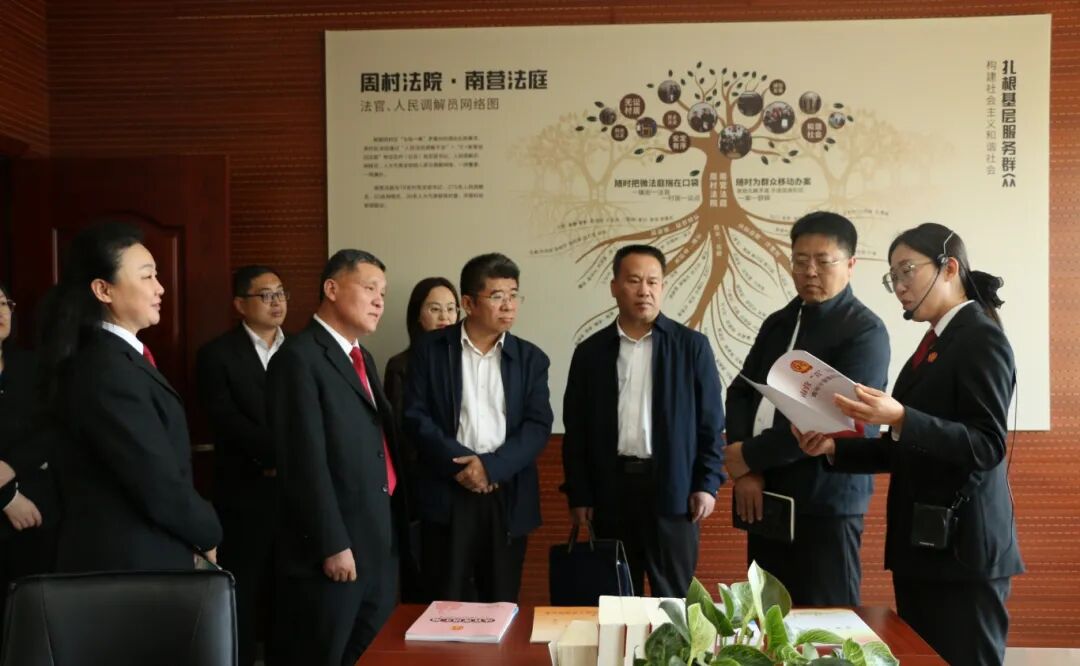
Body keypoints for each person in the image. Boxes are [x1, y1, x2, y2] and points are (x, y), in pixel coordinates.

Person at [797, 222, 1023, 666]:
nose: (899, 286)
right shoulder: (936, 342)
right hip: (925, 544)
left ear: (949, 268)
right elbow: (906, 444)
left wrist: (901, 416)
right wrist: (833, 449)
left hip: (964, 550)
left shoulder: (980, 337)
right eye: (892, 277)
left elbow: (987, 445)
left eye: (907, 271)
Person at [723, 211, 890, 605]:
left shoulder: (864, 331)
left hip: (826, 501)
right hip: (766, 496)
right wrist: (747, 470)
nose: (810, 271)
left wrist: (749, 455)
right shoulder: (779, 323)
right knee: (767, 616)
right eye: (800, 260)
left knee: (828, 620)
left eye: (823, 261)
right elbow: (741, 392)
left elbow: (833, 418)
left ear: (850, 264)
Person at [38, 222, 221, 572]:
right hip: (129, 563)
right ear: (103, 290)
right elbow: (154, 479)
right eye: (147, 276)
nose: (160, 288)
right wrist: (207, 531)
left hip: (145, 551)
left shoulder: (118, 357)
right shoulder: (105, 369)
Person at [561, 244, 726, 597]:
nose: (644, 290)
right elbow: (577, 431)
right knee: (617, 597)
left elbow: (711, 424)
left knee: (675, 598)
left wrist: (707, 483)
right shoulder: (591, 353)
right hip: (611, 491)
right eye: (634, 280)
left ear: (663, 287)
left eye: (653, 281)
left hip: (674, 491)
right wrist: (579, 493)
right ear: (614, 287)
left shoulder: (691, 347)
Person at [267, 249, 402, 666]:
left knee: (368, 655)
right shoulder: (299, 357)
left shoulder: (362, 357)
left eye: (383, 293)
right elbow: (302, 460)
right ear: (331, 288)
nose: (379, 301)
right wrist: (332, 544)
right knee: (326, 654)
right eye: (369, 288)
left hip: (377, 540)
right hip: (335, 548)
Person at [404, 253, 552, 603]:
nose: (509, 305)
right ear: (468, 303)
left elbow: (537, 425)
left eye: (513, 295)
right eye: (497, 296)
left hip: (506, 493)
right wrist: (463, 465)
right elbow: (414, 416)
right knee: (445, 599)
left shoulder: (531, 359)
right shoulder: (430, 351)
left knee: (501, 599)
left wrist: (490, 467)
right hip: (448, 489)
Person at [196, 265, 288, 666]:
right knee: (245, 590)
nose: (276, 302)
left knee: (288, 593)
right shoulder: (217, 354)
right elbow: (225, 419)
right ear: (239, 304)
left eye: (280, 293)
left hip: (293, 493)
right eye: (265, 295)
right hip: (244, 492)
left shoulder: (300, 349)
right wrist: (283, 454)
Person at [383, 276, 459, 602]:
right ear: (418, 314)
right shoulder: (401, 365)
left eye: (451, 309)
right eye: (435, 308)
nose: (445, 317)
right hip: (422, 487)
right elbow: (401, 435)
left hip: (466, 485)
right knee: (427, 582)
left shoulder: (468, 361)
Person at [0, 282, 59, 652]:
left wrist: (8, 467)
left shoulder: (32, 366)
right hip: (10, 510)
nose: (0, 312)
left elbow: (52, 429)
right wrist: (6, 498)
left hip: (37, 516)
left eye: (3, 302)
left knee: (33, 632)